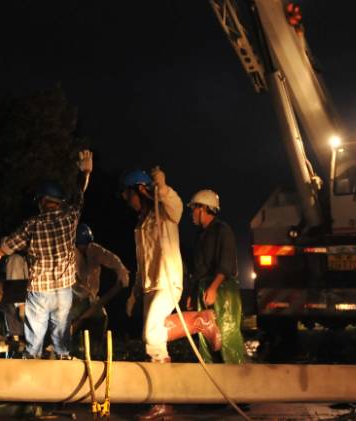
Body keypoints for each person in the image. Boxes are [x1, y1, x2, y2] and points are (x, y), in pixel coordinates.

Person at [122, 167, 221, 421]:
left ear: (140, 190)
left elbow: (176, 206)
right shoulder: (141, 224)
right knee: (156, 344)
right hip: (149, 285)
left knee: (151, 334)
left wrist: (162, 188)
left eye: (128, 194)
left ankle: (202, 321)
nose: (126, 200)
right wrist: (134, 293)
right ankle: (163, 403)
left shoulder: (163, 211)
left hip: (167, 281)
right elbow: (142, 261)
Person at [0, 149, 93, 359]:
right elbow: (81, 194)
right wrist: (86, 172)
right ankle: (62, 357)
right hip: (63, 290)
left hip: (39, 291)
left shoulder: (32, 225)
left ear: (43, 201)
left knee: (34, 338)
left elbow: (9, 244)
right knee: (61, 334)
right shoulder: (70, 217)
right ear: (59, 200)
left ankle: (32, 359)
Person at [187, 189, 246, 364]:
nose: (192, 214)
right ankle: (212, 377)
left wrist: (213, 288)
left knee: (226, 334)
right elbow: (198, 269)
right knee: (206, 336)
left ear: (203, 208)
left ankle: (235, 377)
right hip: (203, 288)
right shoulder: (200, 235)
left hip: (223, 289)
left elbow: (225, 264)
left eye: (194, 209)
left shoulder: (223, 230)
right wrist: (192, 292)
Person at [68, 223, 130, 340]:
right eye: (82, 245)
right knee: (70, 324)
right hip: (74, 300)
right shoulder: (69, 255)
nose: (85, 247)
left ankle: (96, 347)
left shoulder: (94, 250)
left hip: (92, 298)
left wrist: (122, 272)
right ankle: (67, 347)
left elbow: (111, 259)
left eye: (87, 244)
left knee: (101, 318)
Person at [0, 252, 28, 357]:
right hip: (16, 304)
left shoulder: (15, 258)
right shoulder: (16, 258)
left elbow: (16, 281)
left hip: (16, 304)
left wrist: (21, 306)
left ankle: (17, 343)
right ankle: (17, 343)